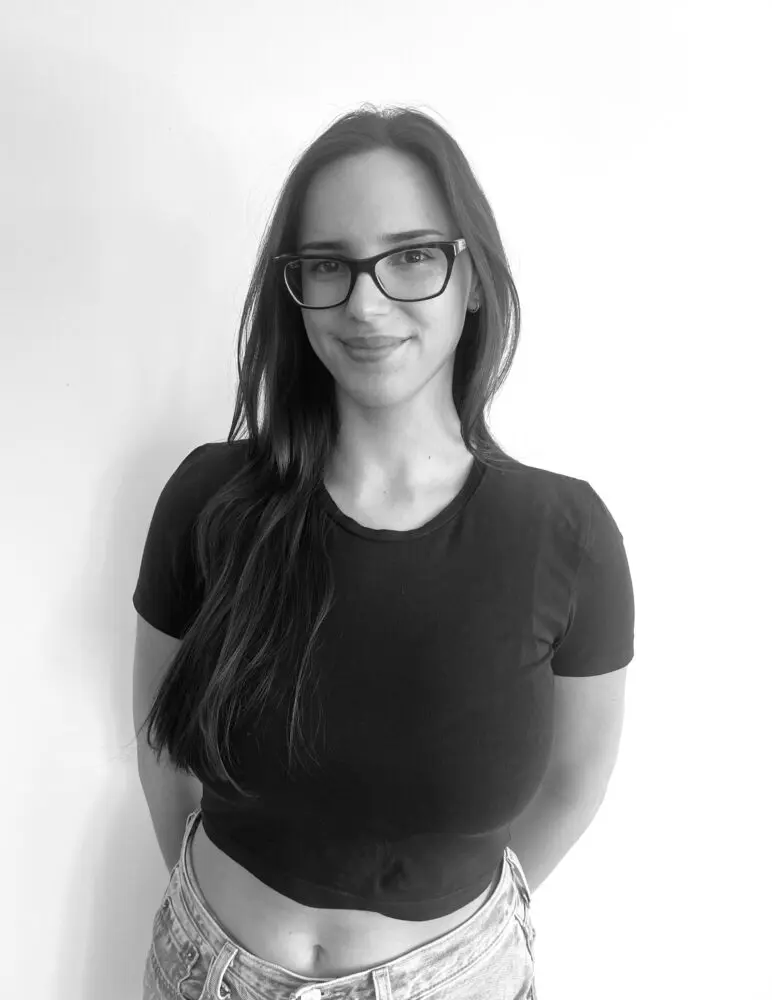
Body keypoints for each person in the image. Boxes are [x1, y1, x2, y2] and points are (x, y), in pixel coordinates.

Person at [133, 103, 635, 1000]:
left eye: (410, 256)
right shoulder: (209, 501)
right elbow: (163, 750)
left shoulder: (566, 534)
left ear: (472, 278)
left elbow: (574, 784)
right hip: (207, 969)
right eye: (328, 264)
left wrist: (449, 960)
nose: (365, 304)